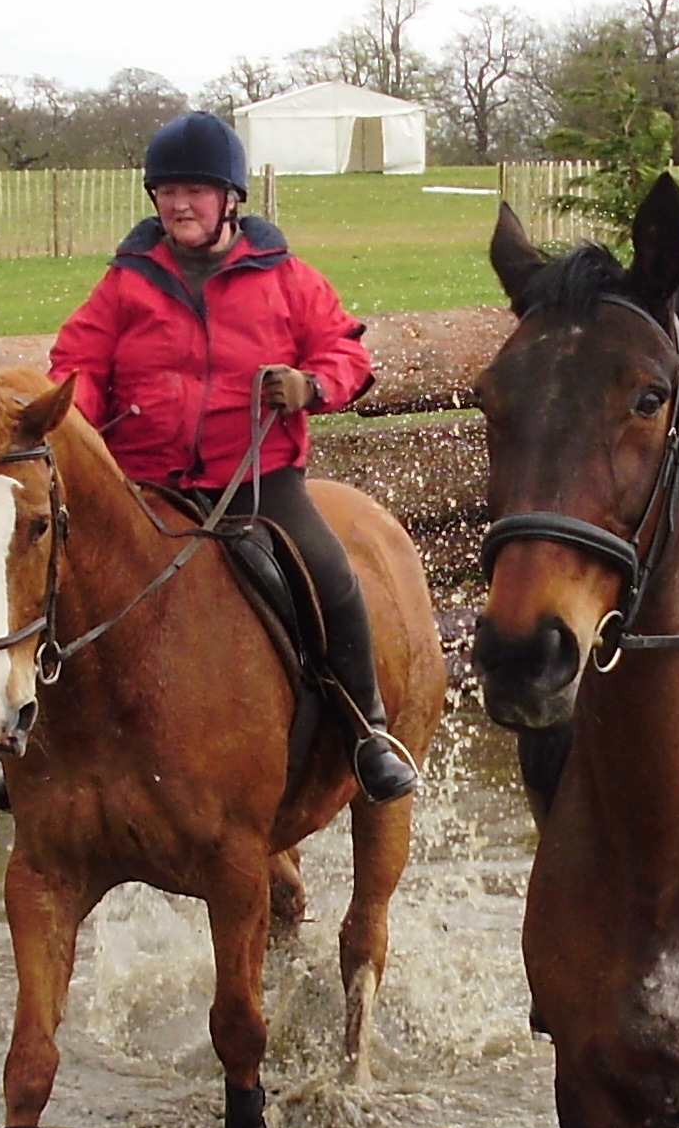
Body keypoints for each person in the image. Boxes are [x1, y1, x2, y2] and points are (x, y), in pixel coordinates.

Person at [32, 110, 419, 803]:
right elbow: (78, 363)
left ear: (230, 200)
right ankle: (27, 744)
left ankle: (367, 730)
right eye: (167, 192)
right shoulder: (125, 284)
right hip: (142, 483)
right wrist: (75, 418)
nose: (180, 205)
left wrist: (311, 386)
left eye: (196, 192)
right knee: (53, 578)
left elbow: (346, 352)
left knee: (331, 575)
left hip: (256, 481)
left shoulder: (288, 279)